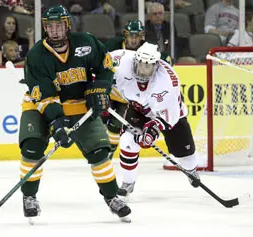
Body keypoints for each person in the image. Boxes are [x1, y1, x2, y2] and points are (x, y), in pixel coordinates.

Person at [18, 5, 131, 221]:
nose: (55, 31)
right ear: (45, 29)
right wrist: (57, 123)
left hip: (79, 105)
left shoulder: (86, 43)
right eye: (50, 26)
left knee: (99, 151)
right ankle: (29, 197)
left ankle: (112, 197)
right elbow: (43, 95)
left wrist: (100, 89)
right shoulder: (36, 56)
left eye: (59, 25)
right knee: (32, 148)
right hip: (40, 106)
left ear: (67, 25)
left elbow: (106, 66)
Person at [109, 42, 200, 196]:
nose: (143, 70)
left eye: (148, 66)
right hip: (138, 109)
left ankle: (191, 169)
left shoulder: (167, 82)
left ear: (156, 65)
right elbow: (98, 67)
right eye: (140, 65)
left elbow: (166, 119)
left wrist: (151, 133)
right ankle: (128, 183)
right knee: (127, 141)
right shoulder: (121, 60)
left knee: (186, 156)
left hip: (170, 116)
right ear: (135, 60)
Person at [103, 19, 173, 161]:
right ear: (125, 35)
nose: (134, 40)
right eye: (131, 35)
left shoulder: (147, 51)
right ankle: (107, 149)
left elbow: (163, 62)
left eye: (137, 36)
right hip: (112, 90)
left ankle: (110, 151)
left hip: (129, 96)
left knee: (117, 123)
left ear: (142, 36)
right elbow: (101, 68)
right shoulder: (112, 47)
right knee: (102, 119)